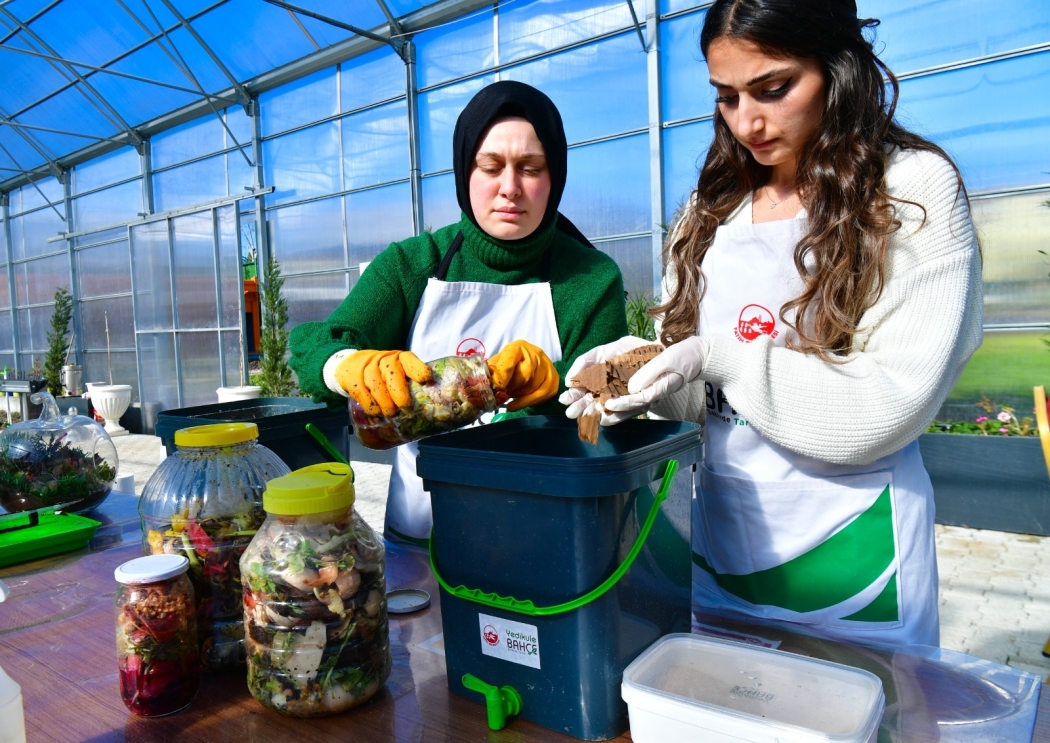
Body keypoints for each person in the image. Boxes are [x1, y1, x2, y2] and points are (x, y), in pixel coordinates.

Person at [561, 0, 982, 647]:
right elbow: (699, 391)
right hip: (722, 549)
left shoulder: (913, 191)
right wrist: (639, 373)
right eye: (726, 97)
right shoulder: (711, 209)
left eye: (774, 88)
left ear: (836, 67)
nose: (747, 121)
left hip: (854, 561)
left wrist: (720, 356)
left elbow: (887, 406)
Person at [290, 81, 628, 546]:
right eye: (490, 167)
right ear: (463, 172)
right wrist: (343, 364)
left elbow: (601, 418)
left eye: (531, 169)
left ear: (556, 177)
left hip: (545, 532)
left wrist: (558, 383)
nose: (510, 188)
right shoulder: (412, 265)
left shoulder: (591, 279)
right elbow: (311, 345)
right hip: (423, 528)